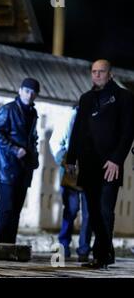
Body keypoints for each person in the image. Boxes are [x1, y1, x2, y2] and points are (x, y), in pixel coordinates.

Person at [67, 59, 134, 269]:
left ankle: (101, 255)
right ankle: (106, 252)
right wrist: (71, 158)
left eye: (101, 72)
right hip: (88, 163)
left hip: (110, 164)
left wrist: (116, 159)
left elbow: (127, 132)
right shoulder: (85, 99)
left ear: (110, 74)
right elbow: (77, 130)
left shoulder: (125, 98)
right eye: (94, 72)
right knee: (93, 211)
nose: (96, 75)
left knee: (105, 210)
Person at [0, 78, 40, 244]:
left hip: (24, 167)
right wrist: (14, 149)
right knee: (7, 207)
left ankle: (9, 245)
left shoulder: (33, 113)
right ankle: (0, 245)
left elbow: (33, 138)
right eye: (27, 90)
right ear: (20, 91)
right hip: (7, 166)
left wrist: (35, 155)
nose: (29, 94)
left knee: (17, 208)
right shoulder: (8, 109)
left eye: (33, 92)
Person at [49, 106, 92, 261]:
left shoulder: (95, 118)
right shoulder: (68, 118)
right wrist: (64, 161)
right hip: (70, 171)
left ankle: (84, 249)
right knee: (71, 210)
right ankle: (64, 244)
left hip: (89, 172)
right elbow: (56, 141)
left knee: (88, 214)